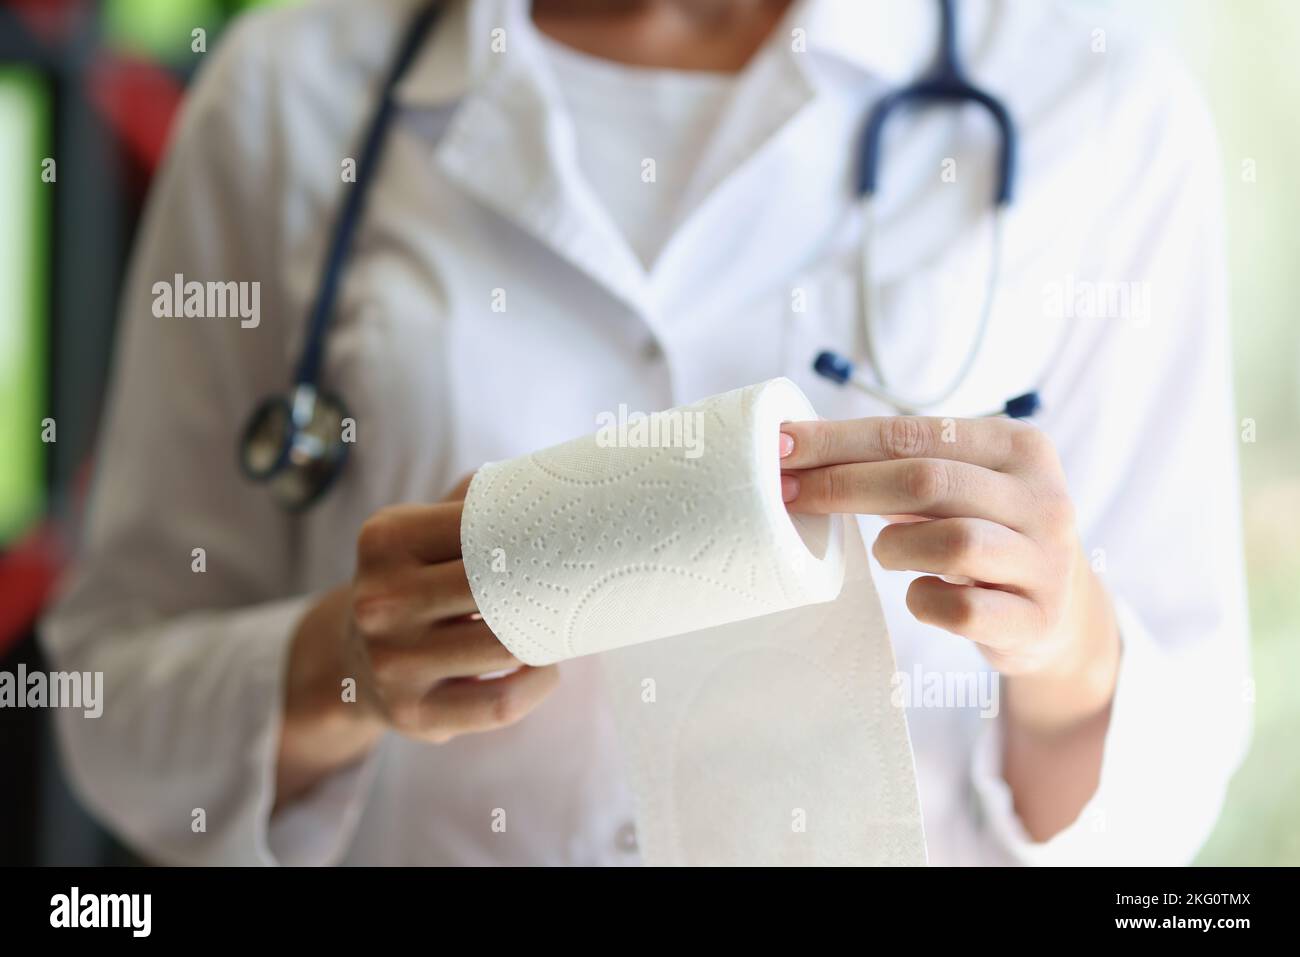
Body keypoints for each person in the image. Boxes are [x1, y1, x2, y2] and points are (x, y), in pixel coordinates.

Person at [41, 0, 1249, 866]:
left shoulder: (1096, 103)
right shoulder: (287, 88)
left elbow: (1183, 769)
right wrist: (334, 671)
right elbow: (108, 701)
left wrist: (1072, 655)